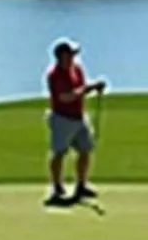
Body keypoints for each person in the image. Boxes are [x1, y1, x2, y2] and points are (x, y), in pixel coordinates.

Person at [45, 39, 106, 207]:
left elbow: (80, 88)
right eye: (70, 54)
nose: (73, 56)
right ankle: (57, 188)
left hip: (79, 117)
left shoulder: (77, 69)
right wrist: (88, 89)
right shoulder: (54, 75)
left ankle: (81, 185)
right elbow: (66, 97)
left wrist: (93, 88)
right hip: (62, 119)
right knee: (59, 153)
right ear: (61, 56)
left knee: (85, 150)